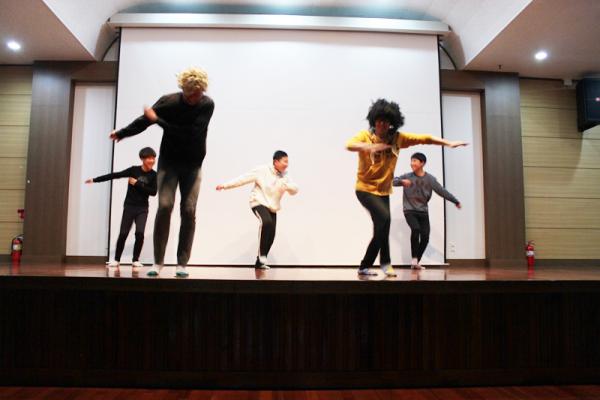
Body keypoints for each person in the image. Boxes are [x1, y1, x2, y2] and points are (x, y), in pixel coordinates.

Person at [110, 67, 215, 278]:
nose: (195, 98)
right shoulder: (169, 101)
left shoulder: (206, 104)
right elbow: (145, 120)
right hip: (169, 164)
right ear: (184, 90)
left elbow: (190, 134)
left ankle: (182, 263)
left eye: (198, 94)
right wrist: (123, 133)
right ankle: (158, 262)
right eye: (191, 94)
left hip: (193, 165)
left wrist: (158, 120)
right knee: (165, 206)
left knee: (188, 210)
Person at [346, 99, 467, 277]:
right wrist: (371, 146)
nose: (382, 125)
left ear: (391, 124)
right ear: (374, 121)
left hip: (383, 191)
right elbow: (350, 145)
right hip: (365, 189)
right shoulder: (365, 136)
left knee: (382, 227)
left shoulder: (397, 139)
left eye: (386, 122)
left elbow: (424, 139)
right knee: (385, 219)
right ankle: (377, 264)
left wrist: (448, 143)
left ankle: (373, 265)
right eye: (379, 121)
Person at [216, 151, 298, 269]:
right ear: (276, 161)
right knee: (266, 222)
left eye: (287, 162)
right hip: (258, 202)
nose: (287, 164)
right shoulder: (262, 170)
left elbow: (295, 190)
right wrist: (225, 185)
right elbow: (243, 179)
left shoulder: (285, 175)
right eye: (284, 161)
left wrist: (288, 186)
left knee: (271, 235)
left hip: (272, 206)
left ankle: (259, 263)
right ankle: (262, 255)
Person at [86, 147, 157, 271]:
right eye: (149, 158)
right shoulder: (133, 170)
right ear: (142, 159)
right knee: (123, 233)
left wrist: (137, 183)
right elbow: (116, 175)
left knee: (140, 233)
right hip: (129, 206)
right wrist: (95, 180)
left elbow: (153, 192)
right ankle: (117, 259)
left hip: (142, 208)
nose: (152, 161)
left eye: (153, 158)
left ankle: (135, 260)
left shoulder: (154, 175)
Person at [393, 152, 461, 269]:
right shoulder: (407, 176)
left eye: (414, 161)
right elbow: (393, 181)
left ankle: (416, 262)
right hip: (409, 210)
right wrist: (401, 181)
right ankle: (414, 259)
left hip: (423, 211)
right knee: (415, 229)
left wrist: (455, 201)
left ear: (422, 163)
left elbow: (442, 191)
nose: (412, 163)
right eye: (411, 161)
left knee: (425, 237)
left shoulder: (430, 179)